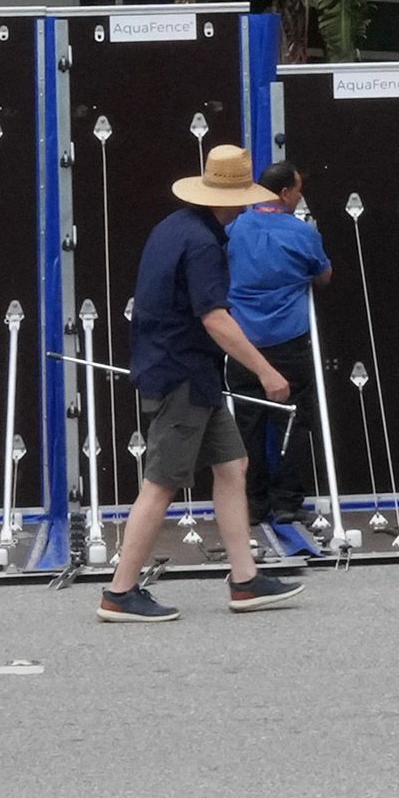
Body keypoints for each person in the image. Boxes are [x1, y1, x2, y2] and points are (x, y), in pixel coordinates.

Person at [98, 144, 304, 624]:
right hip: (183, 374)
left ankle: (245, 580)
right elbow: (215, 318)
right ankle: (119, 590)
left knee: (232, 465)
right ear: (230, 197)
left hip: (183, 370)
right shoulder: (205, 243)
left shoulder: (172, 228)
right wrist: (267, 371)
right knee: (161, 482)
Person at [223, 159, 330, 528]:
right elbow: (324, 275)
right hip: (288, 340)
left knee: (246, 424)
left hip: (243, 344)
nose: (301, 197)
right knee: (293, 422)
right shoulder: (302, 233)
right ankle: (286, 503)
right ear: (285, 193)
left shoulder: (235, 229)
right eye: (298, 190)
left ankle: (252, 504)